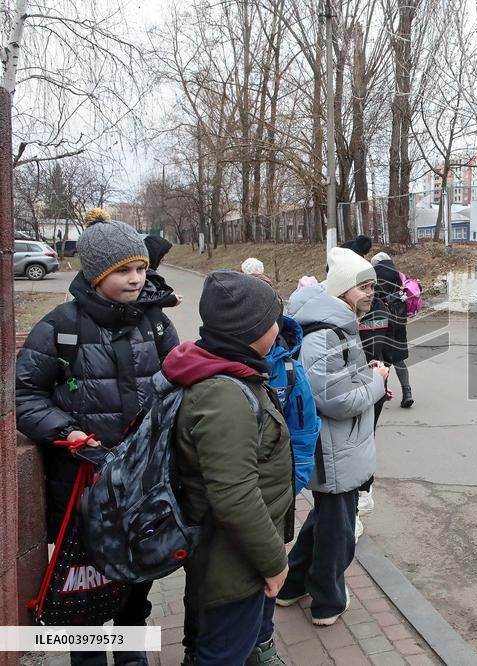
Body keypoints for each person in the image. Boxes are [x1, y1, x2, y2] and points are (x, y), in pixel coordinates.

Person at [15, 215, 179, 666]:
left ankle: (132, 658)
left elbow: (178, 384)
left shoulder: (157, 323)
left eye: (141, 269)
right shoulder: (60, 326)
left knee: (135, 591)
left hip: (143, 485)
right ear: (95, 273)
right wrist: (66, 432)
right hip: (83, 488)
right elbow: (24, 395)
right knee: (84, 598)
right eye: (124, 271)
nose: (136, 279)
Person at [163, 271, 292, 666]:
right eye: (273, 319)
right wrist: (274, 562)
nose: (279, 327)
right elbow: (234, 494)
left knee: (213, 645)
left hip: (230, 553)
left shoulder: (228, 375)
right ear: (251, 330)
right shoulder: (224, 395)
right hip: (232, 560)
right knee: (222, 654)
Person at [278, 248, 388, 625]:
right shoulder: (326, 333)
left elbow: (335, 385)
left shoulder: (335, 324)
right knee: (339, 532)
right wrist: (377, 381)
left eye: (373, 285)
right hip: (334, 447)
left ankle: (292, 586)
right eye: (364, 287)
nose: (371, 293)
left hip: (338, 444)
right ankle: (327, 601)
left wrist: (367, 377)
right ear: (342, 290)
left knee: (326, 519)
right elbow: (337, 401)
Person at [371, 252, 413, 408]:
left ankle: (381, 393)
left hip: (382, 322)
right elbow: (415, 288)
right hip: (400, 321)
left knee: (382, 359)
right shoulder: (400, 275)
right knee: (398, 358)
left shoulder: (373, 275)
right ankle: (407, 392)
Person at [143, 234, 182, 306]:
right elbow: (143, 300)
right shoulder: (144, 276)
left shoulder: (147, 273)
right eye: (162, 255)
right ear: (154, 255)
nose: (164, 259)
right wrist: (169, 300)